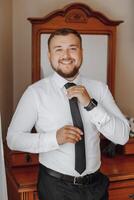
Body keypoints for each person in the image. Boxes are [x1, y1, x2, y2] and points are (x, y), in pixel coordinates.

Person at [7, 28, 130, 200]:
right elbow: (13, 139)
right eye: (59, 49)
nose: (66, 55)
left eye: (73, 48)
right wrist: (54, 138)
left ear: (81, 52)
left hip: (96, 187)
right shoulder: (35, 93)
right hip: (55, 188)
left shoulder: (99, 89)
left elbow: (123, 136)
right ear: (49, 55)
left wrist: (90, 104)